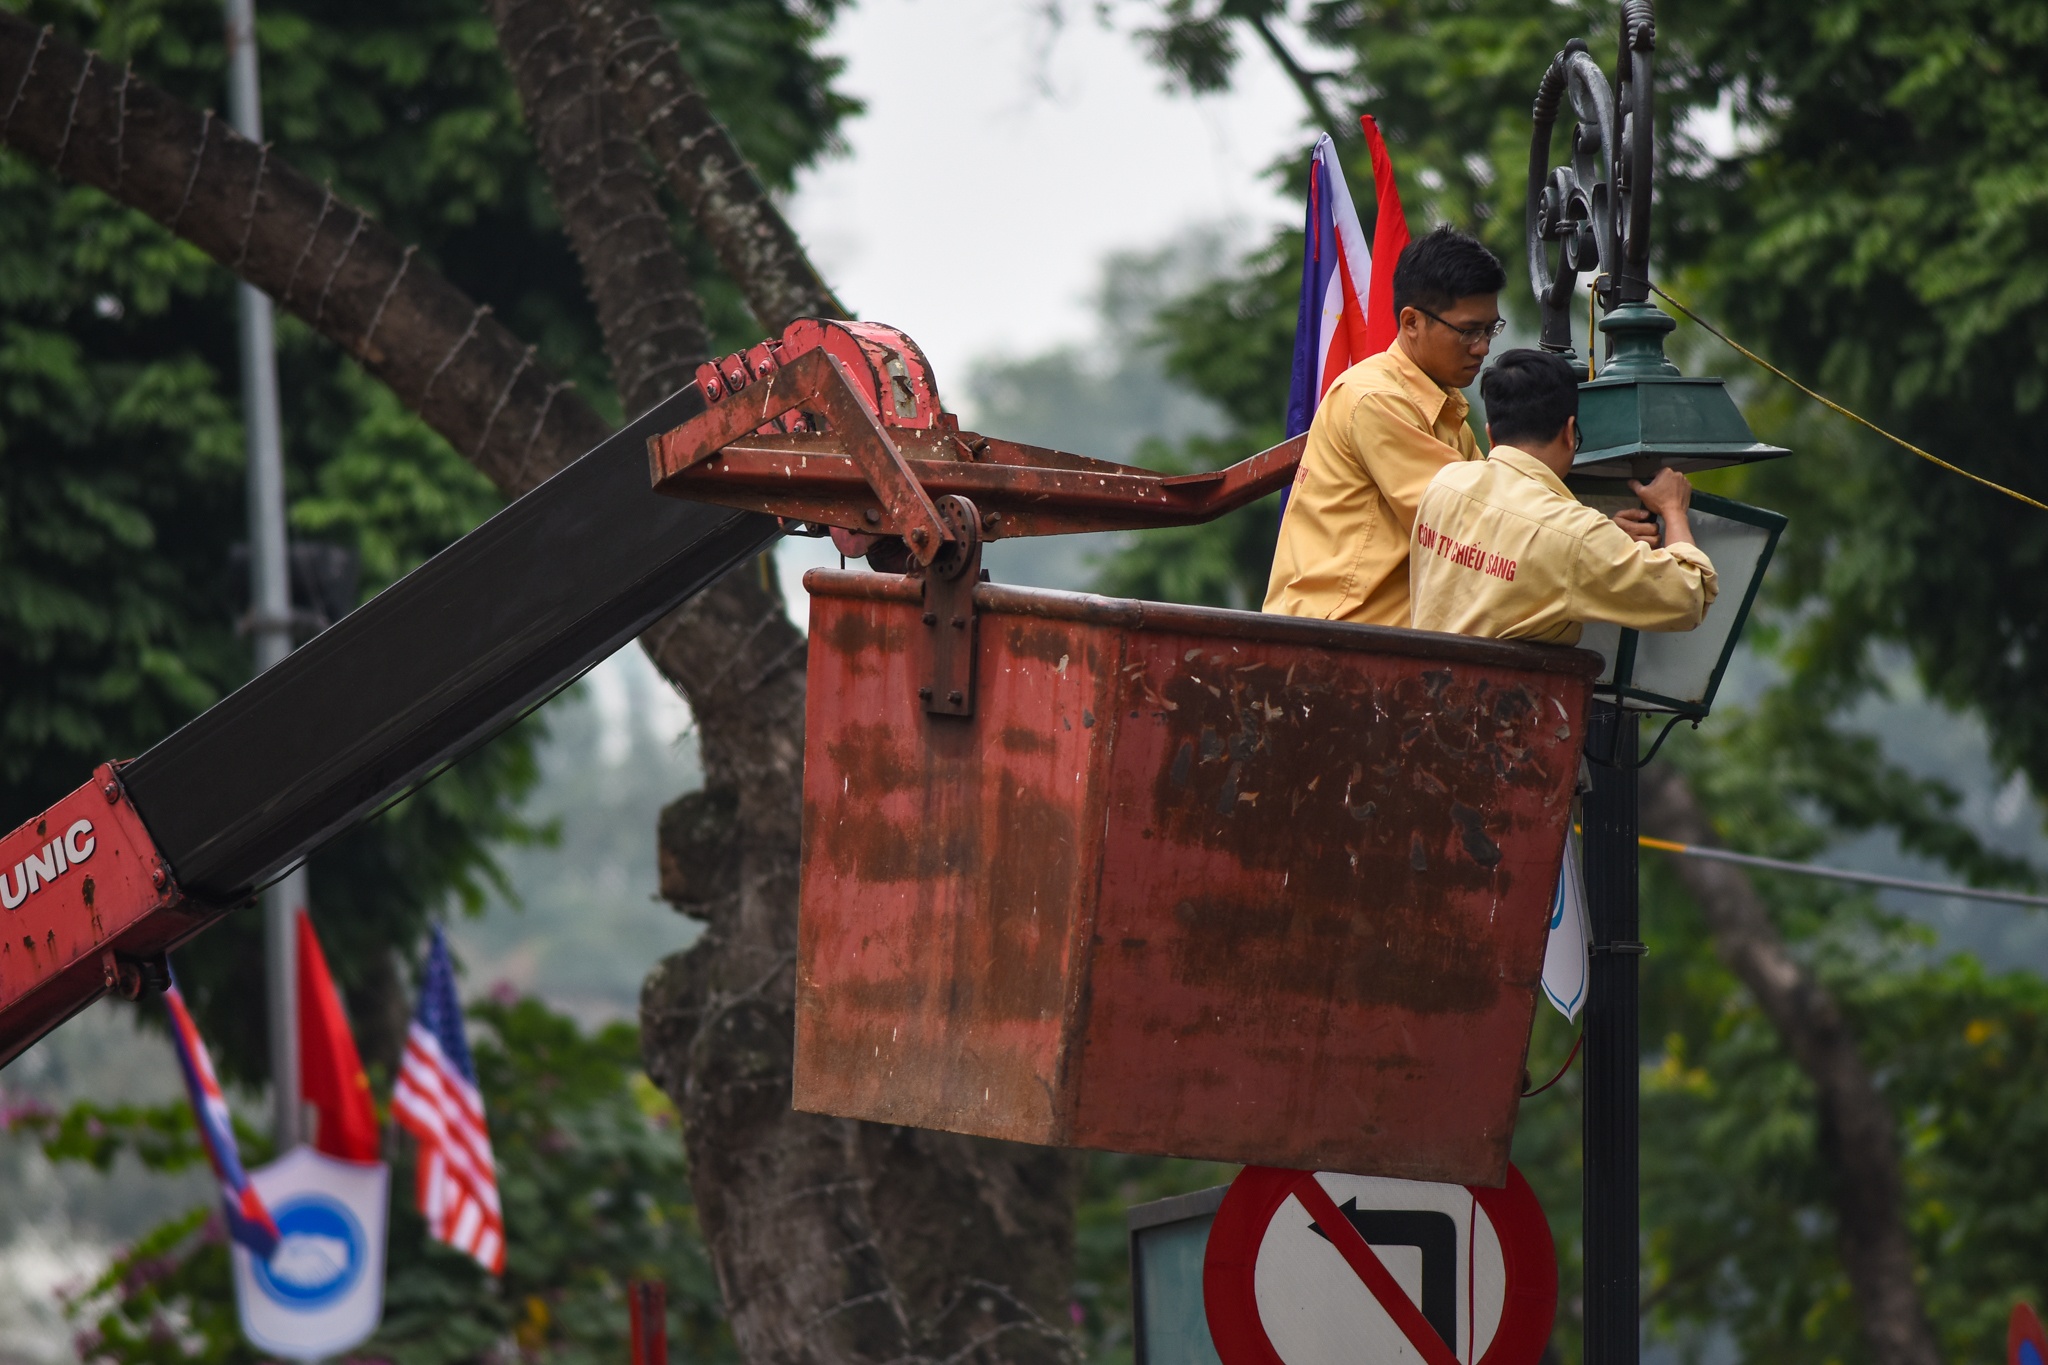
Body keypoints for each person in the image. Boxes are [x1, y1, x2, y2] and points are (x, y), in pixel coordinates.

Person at [1264, 225, 1506, 625]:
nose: (1482, 347)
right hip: (1333, 646)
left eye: (1490, 330)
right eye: (1468, 331)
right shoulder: (1376, 399)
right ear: (1410, 322)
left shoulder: (1447, 410)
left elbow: (1496, 511)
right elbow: (1469, 524)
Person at [1409, 348, 1716, 642]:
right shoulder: (1575, 536)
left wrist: (1604, 539)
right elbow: (1688, 596)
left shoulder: (1445, 483)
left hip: (1419, 690)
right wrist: (1673, 509)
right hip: (1507, 695)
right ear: (1569, 433)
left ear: (1490, 435)